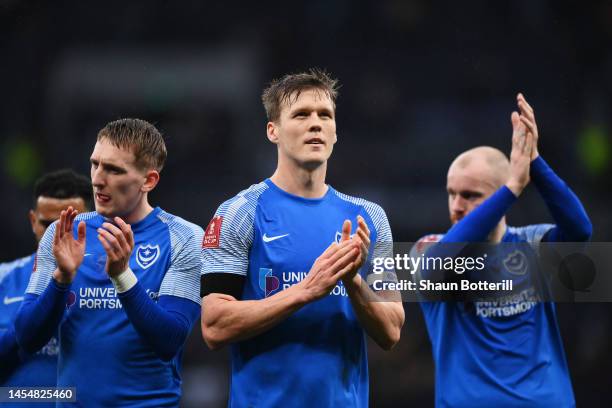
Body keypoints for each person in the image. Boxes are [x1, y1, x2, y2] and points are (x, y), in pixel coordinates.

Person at [200, 68, 405, 407]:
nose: (316, 123)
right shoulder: (238, 212)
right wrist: (306, 290)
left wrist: (352, 280)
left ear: (335, 132)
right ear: (273, 131)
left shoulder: (371, 218)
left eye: (325, 115)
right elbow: (214, 327)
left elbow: (392, 332)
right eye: (301, 114)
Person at [413, 94, 592, 407]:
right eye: (451, 194)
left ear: (500, 200)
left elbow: (580, 231)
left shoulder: (531, 246)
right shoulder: (429, 249)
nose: (456, 206)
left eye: (470, 195)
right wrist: (511, 188)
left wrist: (535, 163)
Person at [14, 119, 203, 407]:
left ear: (148, 180)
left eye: (114, 169)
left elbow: (170, 340)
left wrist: (123, 277)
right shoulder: (63, 232)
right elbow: (27, 337)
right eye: (95, 164)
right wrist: (61, 279)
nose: (98, 179)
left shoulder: (183, 238)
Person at [0, 169, 91, 393]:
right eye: (48, 224)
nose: (56, 234)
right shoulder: (4, 277)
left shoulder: (111, 281)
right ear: (32, 221)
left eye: (69, 224)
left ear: (91, 221)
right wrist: (35, 322)